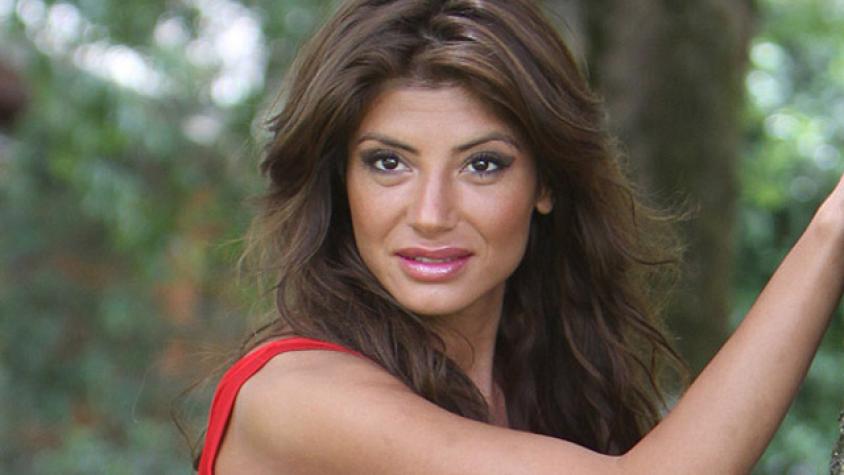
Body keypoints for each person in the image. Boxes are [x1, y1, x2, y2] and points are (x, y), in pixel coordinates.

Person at [196, 0, 844, 473]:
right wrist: (831, 233)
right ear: (341, 181)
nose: (430, 213)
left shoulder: (553, 385)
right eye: (388, 162)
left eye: (482, 164)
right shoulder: (293, 396)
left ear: (545, 182)